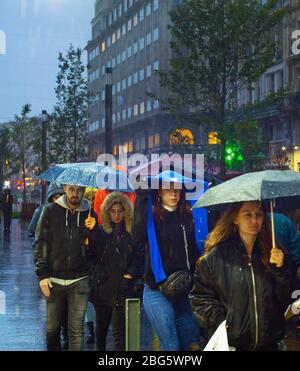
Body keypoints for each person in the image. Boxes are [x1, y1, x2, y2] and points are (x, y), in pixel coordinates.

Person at [190, 201, 293, 351]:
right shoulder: (216, 257)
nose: (254, 220)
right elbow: (200, 298)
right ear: (235, 218)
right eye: (248, 215)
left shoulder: (273, 253)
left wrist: (281, 270)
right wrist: (223, 322)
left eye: (258, 214)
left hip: (269, 344)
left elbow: (285, 297)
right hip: (232, 345)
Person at [130, 171, 201, 351]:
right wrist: (141, 199)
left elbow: (196, 248)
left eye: (177, 188)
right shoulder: (152, 218)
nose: (173, 193)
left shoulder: (188, 217)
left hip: (184, 289)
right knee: (171, 346)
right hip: (156, 289)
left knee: (188, 344)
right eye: (167, 189)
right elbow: (137, 238)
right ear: (159, 192)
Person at [34, 184, 100, 351]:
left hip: (80, 279)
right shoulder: (49, 210)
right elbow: (40, 242)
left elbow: (96, 249)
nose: (75, 194)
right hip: (53, 279)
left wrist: (93, 231)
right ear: (65, 188)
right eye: (71, 189)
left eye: (79, 190)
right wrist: (42, 275)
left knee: (76, 330)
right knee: (52, 329)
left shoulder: (90, 213)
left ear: (84, 191)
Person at [90, 192, 135, 351]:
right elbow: (92, 255)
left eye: (120, 211)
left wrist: (130, 273)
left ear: (126, 211)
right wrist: (91, 232)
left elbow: (138, 256)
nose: (116, 215)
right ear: (107, 212)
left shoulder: (130, 234)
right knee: (101, 331)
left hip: (123, 289)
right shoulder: (101, 231)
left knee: (120, 333)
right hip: (103, 288)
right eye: (112, 211)